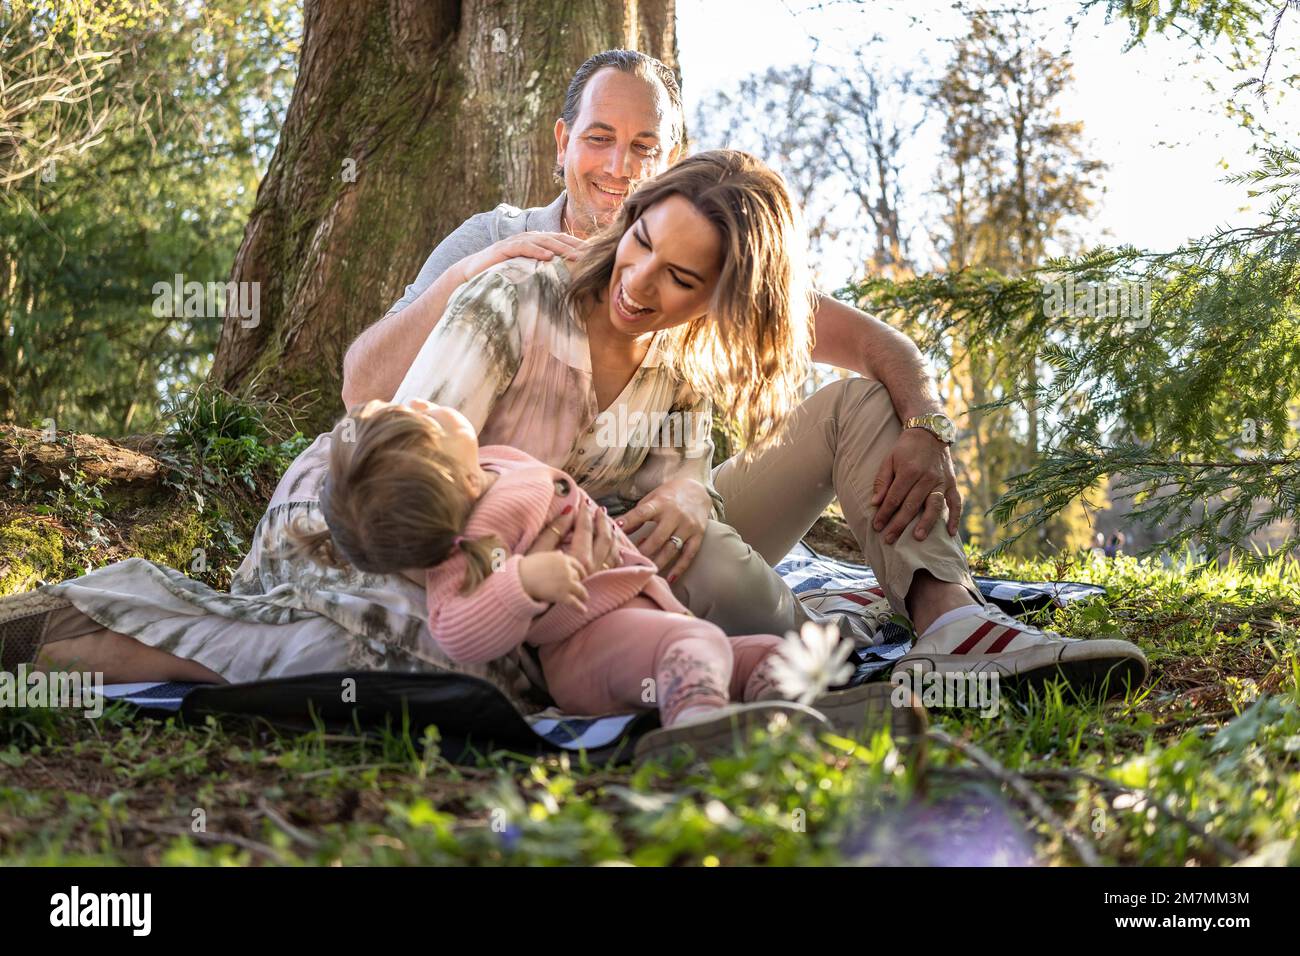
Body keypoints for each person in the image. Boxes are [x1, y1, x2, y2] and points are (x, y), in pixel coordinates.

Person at [7, 52, 1148, 709]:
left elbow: (716, 437)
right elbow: (398, 423)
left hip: (534, 542)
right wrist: (516, 569)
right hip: (403, 508)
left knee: (511, 655)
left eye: (679, 269)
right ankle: (50, 645)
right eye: (637, 236)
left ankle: (939, 627)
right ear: (567, 145)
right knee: (371, 653)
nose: (642, 276)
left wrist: (687, 503)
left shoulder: (698, 331)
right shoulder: (510, 272)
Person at [288, 397, 906, 756]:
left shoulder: (498, 463)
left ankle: (788, 723)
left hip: (647, 617)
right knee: (699, 645)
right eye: (419, 418)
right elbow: (456, 625)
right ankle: (695, 735)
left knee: (765, 651)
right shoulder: (470, 539)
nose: (424, 400)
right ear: (441, 473)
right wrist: (525, 582)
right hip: (588, 650)